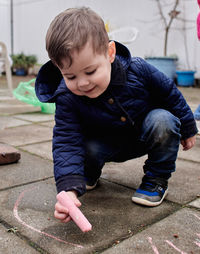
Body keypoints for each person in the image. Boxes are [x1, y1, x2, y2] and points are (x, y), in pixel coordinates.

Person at [35, 7, 198, 223]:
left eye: (91, 71)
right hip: (102, 144)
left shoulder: (139, 70)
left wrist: (187, 127)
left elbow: (170, 92)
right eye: (70, 76)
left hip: (142, 136)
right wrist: (69, 190)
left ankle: (156, 180)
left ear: (110, 53)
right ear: (58, 69)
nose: (82, 83)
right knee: (81, 144)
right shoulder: (67, 96)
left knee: (163, 120)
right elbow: (66, 141)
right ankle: (87, 174)